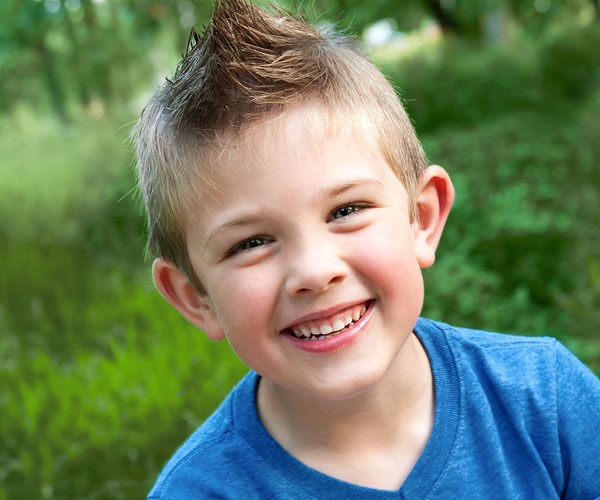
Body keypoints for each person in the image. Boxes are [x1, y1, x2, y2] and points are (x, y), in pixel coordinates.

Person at [134, 0, 600, 498]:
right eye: (251, 242)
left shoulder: (546, 403)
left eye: (346, 210)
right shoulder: (199, 491)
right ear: (194, 297)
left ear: (421, 217)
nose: (314, 271)